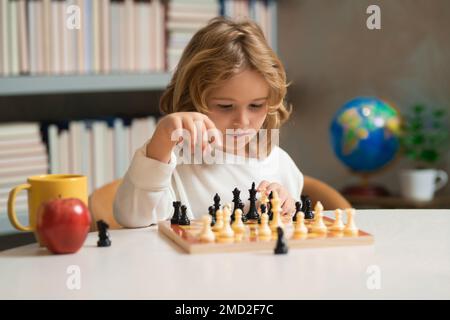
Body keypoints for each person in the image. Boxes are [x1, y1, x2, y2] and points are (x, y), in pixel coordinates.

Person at [114, 17, 303, 228]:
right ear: (192, 99)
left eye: (256, 105)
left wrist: (286, 207)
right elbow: (132, 217)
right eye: (225, 106)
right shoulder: (175, 160)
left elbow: (290, 235)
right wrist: (161, 140)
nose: (242, 121)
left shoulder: (280, 164)